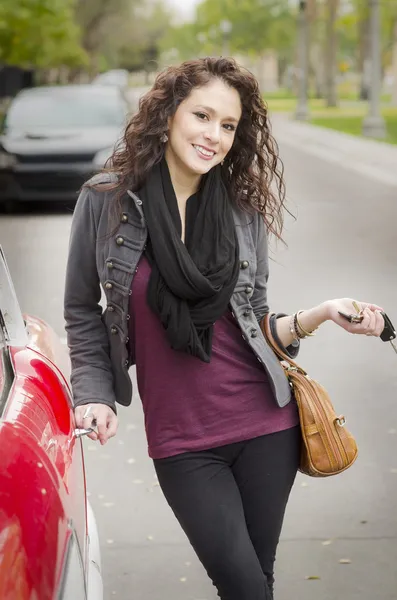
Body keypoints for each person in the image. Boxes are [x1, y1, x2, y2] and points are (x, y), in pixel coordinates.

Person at [64, 57, 385, 599]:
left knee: (255, 584)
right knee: (244, 587)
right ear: (168, 115)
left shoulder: (241, 210)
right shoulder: (107, 201)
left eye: (228, 125)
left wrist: (323, 313)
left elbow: (255, 322)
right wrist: (93, 393)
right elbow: (81, 309)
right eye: (202, 116)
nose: (213, 136)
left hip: (268, 426)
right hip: (183, 442)